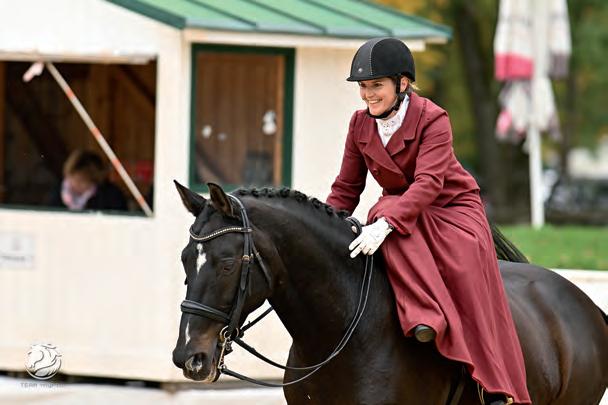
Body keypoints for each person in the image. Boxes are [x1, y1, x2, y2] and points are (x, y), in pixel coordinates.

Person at [326, 38, 531, 405]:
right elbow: (346, 188)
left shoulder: (433, 118)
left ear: (402, 83)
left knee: (389, 217)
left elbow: (429, 184)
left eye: (376, 85)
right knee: (382, 214)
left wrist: (386, 225)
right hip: (405, 211)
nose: (367, 95)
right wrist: (325, 226)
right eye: (363, 86)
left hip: (451, 210)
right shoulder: (359, 124)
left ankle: (489, 382)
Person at [50, 149, 127, 211]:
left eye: (80, 181)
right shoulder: (58, 193)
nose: (74, 184)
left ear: (94, 181)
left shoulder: (111, 196)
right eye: (71, 178)